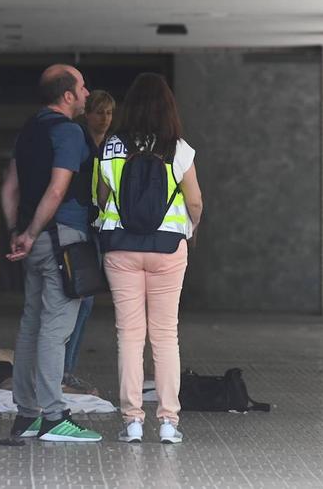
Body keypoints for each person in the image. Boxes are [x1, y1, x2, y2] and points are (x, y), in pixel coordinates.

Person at [97, 73, 203, 444]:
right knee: (164, 334)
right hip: (168, 249)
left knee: (129, 335)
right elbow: (194, 202)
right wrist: (191, 228)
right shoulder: (180, 148)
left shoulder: (112, 145)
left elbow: (101, 196)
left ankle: (132, 421)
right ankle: (169, 422)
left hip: (121, 248)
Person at [0, 63, 102, 442]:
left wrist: (19, 232)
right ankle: (53, 417)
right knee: (55, 330)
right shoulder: (69, 133)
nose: (88, 94)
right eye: (83, 87)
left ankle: (26, 415)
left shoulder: (29, 132)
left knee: (31, 325)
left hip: (35, 244)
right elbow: (58, 190)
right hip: (62, 242)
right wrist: (32, 231)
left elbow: (10, 188)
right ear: (68, 95)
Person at [62, 90, 116, 393]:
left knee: (87, 300)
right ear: (87, 114)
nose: (105, 119)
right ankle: (62, 370)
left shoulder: (112, 145)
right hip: (76, 224)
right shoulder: (78, 140)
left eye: (109, 113)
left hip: (100, 228)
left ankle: (67, 370)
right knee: (76, 298)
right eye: (99, 112)